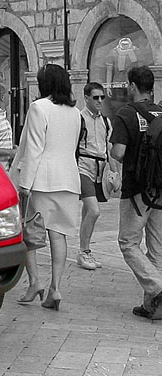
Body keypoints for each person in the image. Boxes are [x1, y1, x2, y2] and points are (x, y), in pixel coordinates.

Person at [9, 64, 81, 312]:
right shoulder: (76, 113)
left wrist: (24, 183)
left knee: (30, 233)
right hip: (69, 178)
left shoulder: (39, 107)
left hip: (42, 180)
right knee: (58, 233)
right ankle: (55, 287)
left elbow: (34, 148)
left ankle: (35, 282)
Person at [109, 66, 162, 320]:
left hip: (137, 189)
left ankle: (158, 289)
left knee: (128, 243)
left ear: (132, 86)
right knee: (157, 249)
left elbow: (118, 153)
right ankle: (153, 306)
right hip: (160, 189)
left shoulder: (126, 114)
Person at [76, 82, 114, 271]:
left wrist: (114, 172)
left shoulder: (105, 121)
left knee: (87, 210)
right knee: (94, 211)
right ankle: (84, 251)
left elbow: (109, 148)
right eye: (95, 97)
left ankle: (83, 250)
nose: (99, 101)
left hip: (100, 168)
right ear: (87, 98)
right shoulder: (79, 119)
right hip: (83, 167)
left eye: (102, 97)